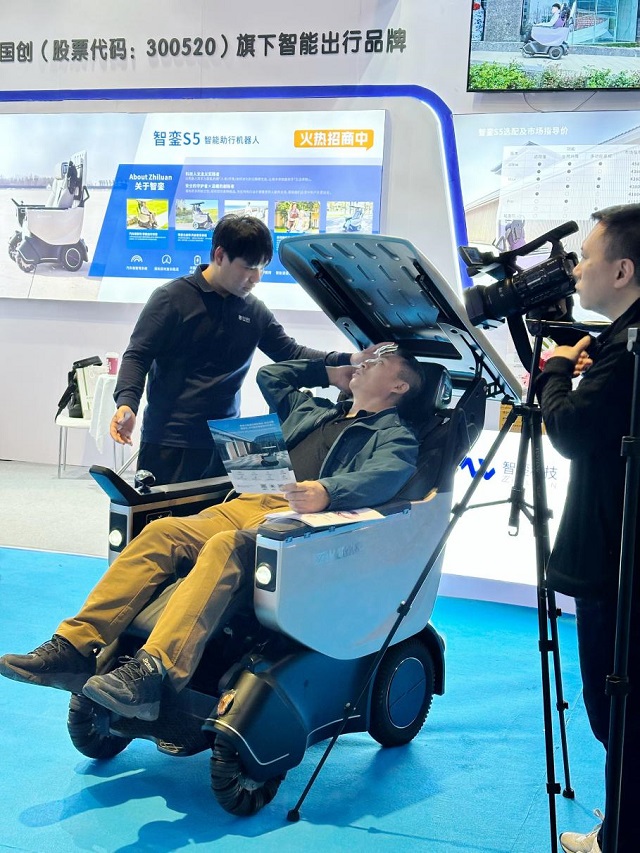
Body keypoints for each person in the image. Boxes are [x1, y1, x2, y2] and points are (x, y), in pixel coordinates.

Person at [0, 347, 425, 722]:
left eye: (379, 362)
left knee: (225, 547)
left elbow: (387, 475)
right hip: (247, 501)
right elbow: (271, 375)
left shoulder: (394, 435)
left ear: (400, 386)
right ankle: (74, 646)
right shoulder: (313, 410)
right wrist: (334, 368)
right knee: (162, 531)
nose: (366, 361)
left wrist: (328, 491)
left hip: (297, 524)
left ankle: (154, 671)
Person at [110, 213, 371, 485]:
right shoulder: (171, 299)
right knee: (162, 512)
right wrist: (127, 403)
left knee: (226, 511)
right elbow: (138, 355)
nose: (256, 278)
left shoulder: (253, 310)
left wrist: (351, 358)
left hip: (230, 441)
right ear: (220, 255)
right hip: (171, 440)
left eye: (262, 268)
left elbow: (291, 353)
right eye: (249, 267)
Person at [537, 204, 640, 853]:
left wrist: (552, 371)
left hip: (612, 556)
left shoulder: (626, 352)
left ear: (623, 271)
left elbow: (571, 430)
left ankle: (620, 837)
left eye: (587, 259)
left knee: (613, 707)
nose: (575, 272)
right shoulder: (622, 345)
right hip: (617, 547)